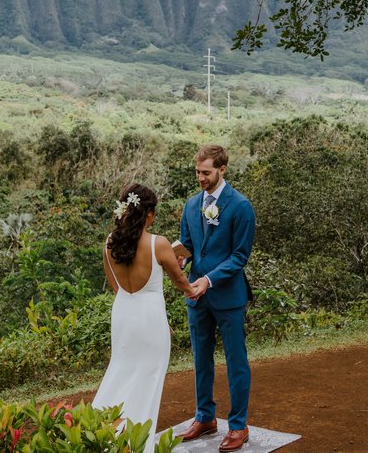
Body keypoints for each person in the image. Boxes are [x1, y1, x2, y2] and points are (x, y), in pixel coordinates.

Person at [92, 183, 197, 453]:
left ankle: (100, 433)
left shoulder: (109, 243)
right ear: (148, 213)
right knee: (148, 378)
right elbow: (181, 282)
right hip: (150, 318)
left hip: (123, 313)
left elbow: (116, 286)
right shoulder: (158, 244)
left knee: (120, 371)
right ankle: (139, 444)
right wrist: (191, 285)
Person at [177, 144, 255, 452]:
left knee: (236, 362)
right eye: (197, 172)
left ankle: (238, 425)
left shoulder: (241, 206)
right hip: (196, 297)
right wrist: (180, 260)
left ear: (222, 170)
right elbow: (188, 245)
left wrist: (208, 280)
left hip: (228, 297)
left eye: (206, 173)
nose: (200, 178)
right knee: (200, 360)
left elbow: (239, 257)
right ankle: (205, 417)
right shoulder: (190, 205)